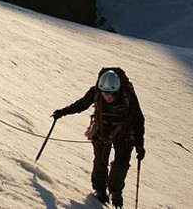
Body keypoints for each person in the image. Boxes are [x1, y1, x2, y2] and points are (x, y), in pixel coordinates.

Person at [52, 68, 145, 207]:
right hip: (102, 130)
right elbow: (81, 105)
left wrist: (139, 145)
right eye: (104, 93)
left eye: (110, 94)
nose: (107, 97)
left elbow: (138, 119)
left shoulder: (128, 96)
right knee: (100, 160)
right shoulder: (95, 92)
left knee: (121, 163)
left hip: (124, 133)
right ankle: (100, 190)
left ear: (117, 90)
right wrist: (62, 112)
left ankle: (116, 191)